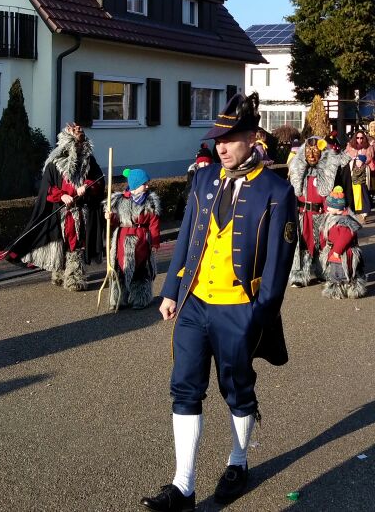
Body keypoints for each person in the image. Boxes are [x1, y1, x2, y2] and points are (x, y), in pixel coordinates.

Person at [142, 93, 297, 511]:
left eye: (229, 140)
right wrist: (171, 291)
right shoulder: (205, 178)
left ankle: (238, 461)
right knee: (184, 387)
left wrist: (260, 314)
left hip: (239, 308)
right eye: (217, 140)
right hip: (194, 303)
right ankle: (183, 486)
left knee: (237, 388)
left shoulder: (277, 190)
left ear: (252, 137)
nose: (221, 147)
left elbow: (279, 263)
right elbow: (188, 235)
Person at [9, 123, 105, 291]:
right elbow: (46, 187)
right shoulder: (55, 163)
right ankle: (59, 272)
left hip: (79, 211)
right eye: (76, 140)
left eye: (81, 141)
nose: (80, 144)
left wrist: (87, 186)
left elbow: (99, 180)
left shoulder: (89, 161)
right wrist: (62, 195)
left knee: (76, 243)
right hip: (59, 211)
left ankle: (74, 278)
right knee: (60, 242)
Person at [287, 137, 350, 287]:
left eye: (315, 151)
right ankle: (299, 275)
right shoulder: (297, 170)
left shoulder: (330, 170)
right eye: (308, 151)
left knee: (322, 243)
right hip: (302, 213)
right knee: (302, 243)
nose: (311, 154)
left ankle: (323, 271)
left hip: (322, 213)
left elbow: (338, 191)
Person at [104, 167, 160, 310]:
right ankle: (119, 298)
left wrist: (154, 243)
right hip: (123, 239)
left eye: (147, 183)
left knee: (140, 268)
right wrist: (110, 217)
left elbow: (154, 224)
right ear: (135, 185)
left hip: (141, 239)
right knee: (121, 268)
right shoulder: (121, 200)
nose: (147, 186)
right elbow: (116, 221)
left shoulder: (150, 201)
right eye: (144, 184)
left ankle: (140, 298)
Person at [321, 186, 367, 299]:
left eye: (330, 206)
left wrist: (337, 251)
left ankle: (347, 289)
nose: (327, 208)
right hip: (334, 250)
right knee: (336, 271)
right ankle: (340, 289)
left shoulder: (345, 222)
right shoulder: (334, 217)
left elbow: (344, 238)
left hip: (343, 252)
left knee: (342, 271)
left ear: (338, 209)